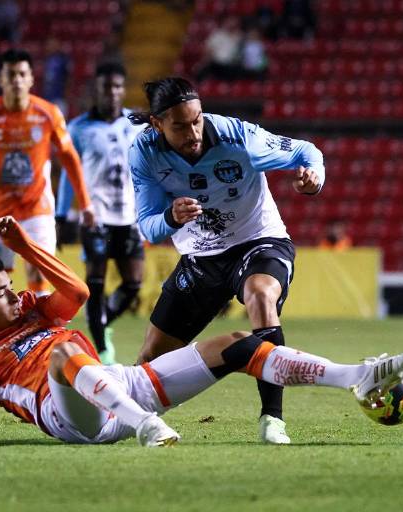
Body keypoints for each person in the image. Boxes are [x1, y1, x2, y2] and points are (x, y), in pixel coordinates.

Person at [0, 216, 403, 448]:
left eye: (11, 285)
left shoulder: (29, 308)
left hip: (114, 383)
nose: (14, 295)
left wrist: (27, 249)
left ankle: (358, 376)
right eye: (1, 293)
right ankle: (145, 426)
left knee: (235, 345)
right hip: (67, 415)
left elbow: (74, 296)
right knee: (60, 357)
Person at [128, 77, 325, 444]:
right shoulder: (145, 152)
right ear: (157, 124)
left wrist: (314, 179)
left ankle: (272, 419)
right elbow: (149, 228)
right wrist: (171, 217)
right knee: (149, 360)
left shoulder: (238, 137)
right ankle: (126, 420)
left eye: (197, 120)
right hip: (201, 256)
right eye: (180, 126)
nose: (194, 132)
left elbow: (306, 151)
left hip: (258, 239)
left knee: (261, 296)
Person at [0, 49, 94, 294]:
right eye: (11, 74)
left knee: (38, 271)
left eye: (22, 74)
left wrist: (86, 203)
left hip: (37, 210)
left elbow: (69, 157)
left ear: (31, 79)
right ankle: (6, 332)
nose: (17, 80)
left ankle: (42, 331)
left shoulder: (48, 113)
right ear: (1, 80)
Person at [56, 62, 146, 364]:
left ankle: (101, 320)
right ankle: (102, 350)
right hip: (95, 215)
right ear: (97, 90)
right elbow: (70, 174)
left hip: (129, 216)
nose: (113, 93)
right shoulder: (78, 128)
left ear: (123, 90)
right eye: (107, 87)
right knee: (95, 279)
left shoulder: (135, 124)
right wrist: (61, 215)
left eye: (118, 87)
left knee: (133, 283)